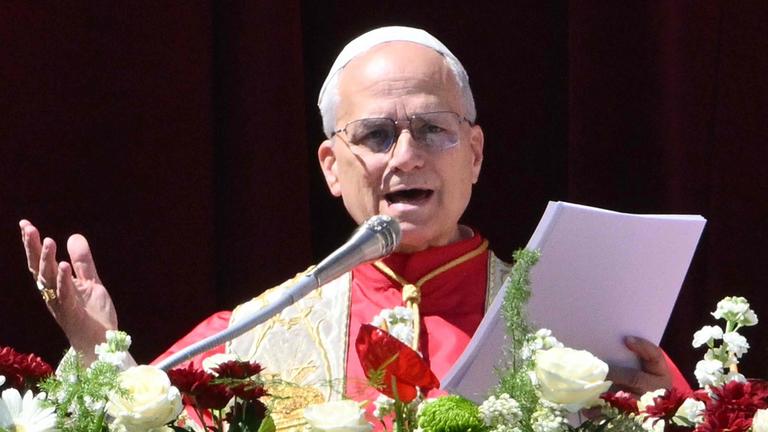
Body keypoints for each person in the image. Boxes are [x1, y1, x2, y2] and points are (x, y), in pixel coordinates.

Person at [19, 26, 687, 429]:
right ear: (332, 167)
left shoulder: (569, 324)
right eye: (374, 134)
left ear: (476, 153)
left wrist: (661, 410)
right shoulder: (260, 331)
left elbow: (698, 418)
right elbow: (147, 420)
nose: (406, 155)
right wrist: (99, 354)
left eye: (433, 129)